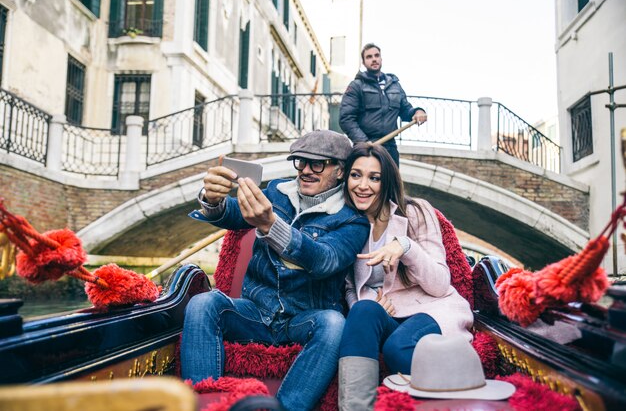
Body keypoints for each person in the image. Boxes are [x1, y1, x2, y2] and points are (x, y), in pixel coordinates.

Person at [181, 130, 370, 411]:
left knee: (334, 325)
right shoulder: (276, 192)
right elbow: (232, 214)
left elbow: (324, 260)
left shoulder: (353, 221)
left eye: (316, 164)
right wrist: (212, 199)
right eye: (300, 161)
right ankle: (205, 404)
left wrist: (271, 225)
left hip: (305, 318)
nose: (305, 170)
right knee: (203, 302)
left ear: (340, 170)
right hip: (255, 311)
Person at [337, 143, 473, 411]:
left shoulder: (415, 212)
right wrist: (365, 304)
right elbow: (350, 287)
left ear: (386, 180)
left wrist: (405, 246)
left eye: (374, 178)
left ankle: (462, 399)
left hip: (431, 310)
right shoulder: (347, 223)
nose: (363, 185)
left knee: (397, 348)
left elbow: (439, 284)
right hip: (387, 314)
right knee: (362, 310)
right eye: (356, 175)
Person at [339, 43, 427, 166]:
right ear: (363, 62)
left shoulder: (395, 85)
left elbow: (406, 111)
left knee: (392, 184)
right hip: (366, 148)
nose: (374, 59)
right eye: (369, 57)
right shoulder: (356, 85)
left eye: (376, 55)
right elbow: (346, 118)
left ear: (381, 59)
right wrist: (363, 142)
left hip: (390, 147)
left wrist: (417, 111)